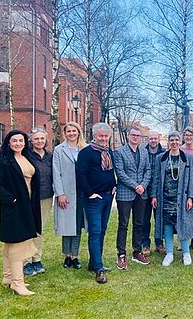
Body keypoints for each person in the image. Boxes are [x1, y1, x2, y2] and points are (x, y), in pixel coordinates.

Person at [0, 130, 41, 296]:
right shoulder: (4, 161)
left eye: (21, 140)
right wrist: (11, 199)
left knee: (10, 244)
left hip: (29, 206)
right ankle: (17, 284)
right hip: (14, 208)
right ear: (8, 143)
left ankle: (8, 277)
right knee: (18, 243)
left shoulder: (26, 158)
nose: (18, 143)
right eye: (14, 141)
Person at [76, 122, 117, 284]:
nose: (103, 139)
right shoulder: (86, 152)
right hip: (94, 199)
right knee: (95, 231)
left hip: (108, 196)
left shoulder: (108, 152)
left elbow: (111, 172)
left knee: (103, 230)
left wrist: (114, 185)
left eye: (106, 136)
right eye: (100, 136)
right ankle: (99, 269)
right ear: (94, 135)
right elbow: (81, 174)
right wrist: (90, 193)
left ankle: (94, 263)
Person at [151, 131, 193, 266]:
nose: (174, 142)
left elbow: (191, 179)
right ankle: (169, 253)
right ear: (168, 142)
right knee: (167, 224)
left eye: (177, 140)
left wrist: (190, 197)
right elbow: (156, 178)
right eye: (172, 140)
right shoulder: (161, 158)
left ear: (179, 141)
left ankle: (186, 253)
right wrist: (154, 195)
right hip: (165, 198)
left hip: (182, 198)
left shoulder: (187, 158)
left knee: (183, 224)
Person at [113, 126, 151, 269]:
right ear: (128, 136)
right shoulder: (119, 152)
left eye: (138, 136)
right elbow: (120, 173)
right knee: (123, 224)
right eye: (133, 135)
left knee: (139, 224)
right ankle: (121, 254)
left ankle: (137, 252)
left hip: (142, 193)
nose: (136, 137)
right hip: (125, 193)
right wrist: (136, 185)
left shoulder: (144, 152)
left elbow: (148, 170)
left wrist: (143, 185)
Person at [52, 122, 86, 271]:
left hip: (82, 193)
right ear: (65, 134)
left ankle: (75, 256)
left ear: (79, 132)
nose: (72, 133)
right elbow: (56, 173)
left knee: (78, 225)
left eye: (74, 131)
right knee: (67, 226)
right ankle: (67, 255)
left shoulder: (85, 149)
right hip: (66, 193)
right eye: (69, 131)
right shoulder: (59, 150)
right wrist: (60, 194)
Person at [23, 127, 54, 276]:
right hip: (30, 198)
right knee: (28, 229)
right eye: (36, 139)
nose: (39, 141)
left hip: (46, 196)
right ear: (31, 141)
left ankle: (37, 259)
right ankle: (26, 261)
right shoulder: (26, 155)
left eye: (42, 138)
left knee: (39, 230)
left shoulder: (50, 156)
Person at [141, 131, 166, 255]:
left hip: (160, 192)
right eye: (151, 138)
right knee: (145, 219)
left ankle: (159, 242)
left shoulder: (164, 154)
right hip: (145, 192)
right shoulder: (142, 152)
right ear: (147, 139)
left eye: (155, 138)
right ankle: (145, 243)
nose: (153, 141)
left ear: (159, 139)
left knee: (159, 218)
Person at [180, 126, 193, 251]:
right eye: (186, 135)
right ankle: (183, 239)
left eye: (191, 135)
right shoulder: (179, 149)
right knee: (183, 213)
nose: (188, 137)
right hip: (182, 185)